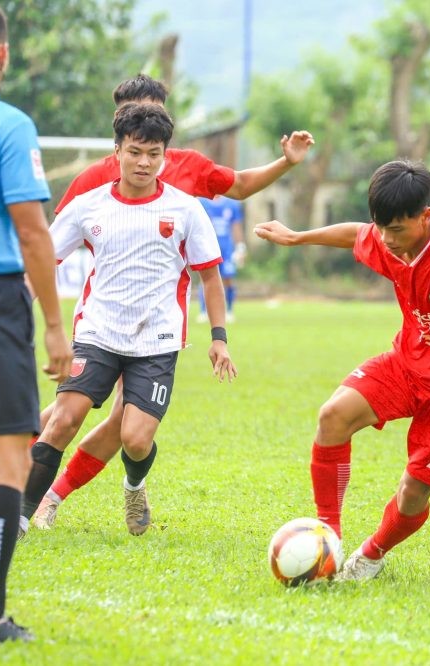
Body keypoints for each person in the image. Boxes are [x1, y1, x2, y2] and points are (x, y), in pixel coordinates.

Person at [25, 75, 313, 533]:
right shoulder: (95, 183)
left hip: (157, 328)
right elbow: (53, 244)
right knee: (68, 415)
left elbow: (237, 186)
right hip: (102, 322)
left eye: (154, 136)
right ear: (118, 134)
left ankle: (72, 488)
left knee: (130, 432)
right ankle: (35, 492)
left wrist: (285, 162)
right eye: (134, 137)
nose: (144, 154)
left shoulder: (185, 175)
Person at [254, 160, 430, 581]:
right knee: (332, 416)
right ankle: (329, 540)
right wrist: (298, 237)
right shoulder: (385, 238)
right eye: (382, 230)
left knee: (413, 491)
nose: (387, 241)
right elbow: (354, 233)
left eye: (397, 230)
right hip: (409, 364)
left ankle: (372, 554)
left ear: (426, 216)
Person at [27, 102, 237, 538]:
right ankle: (18, 517)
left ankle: (134, 484)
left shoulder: (185, 209)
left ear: (165, 155)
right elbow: (44, 260)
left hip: (157, 340)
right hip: (98, 332)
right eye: (135, 151)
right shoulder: (89, 205)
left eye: (154, 153)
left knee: (136, 439)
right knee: (64, 418)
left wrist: (219, 337)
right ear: (118, 149)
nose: (144, 162)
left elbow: (210, 276)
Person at [0, 0, 72, 643]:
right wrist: (54, 326)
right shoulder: (8, 124)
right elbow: (32, 232)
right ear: (0, 54)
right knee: (3, 462)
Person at [197, 195, 245, 323]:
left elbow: (236, 226)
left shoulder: (232, 204)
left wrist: (240, 247)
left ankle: (229, 311)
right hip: (209, 247)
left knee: (228, 279)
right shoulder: (201, 202)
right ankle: (203, 311)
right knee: (206, 278)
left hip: (227, 249)